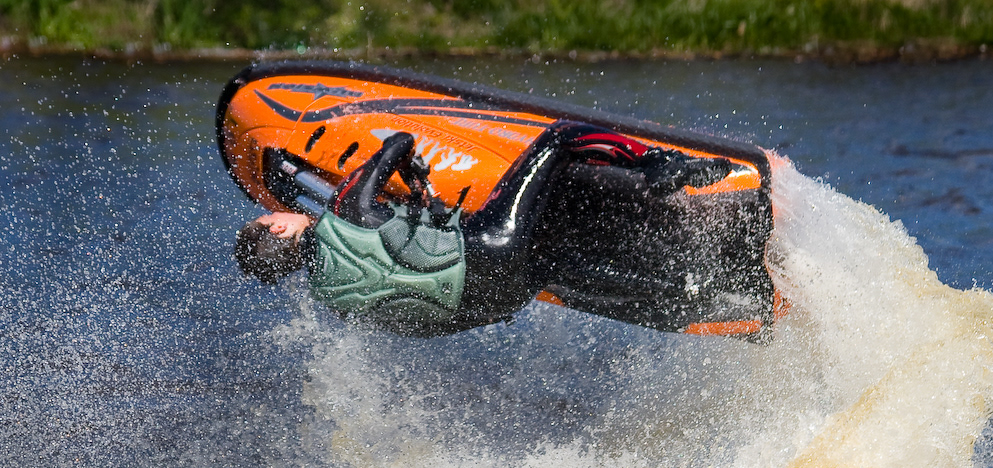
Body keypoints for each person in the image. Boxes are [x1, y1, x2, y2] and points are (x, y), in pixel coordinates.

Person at [235, 121, 745, 337]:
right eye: (270, 216)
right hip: (490, 246)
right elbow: (398, 141)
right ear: (278, 231)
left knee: (560, 264)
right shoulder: (345, 211)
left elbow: (423, 322)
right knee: (557, 141)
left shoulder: (337, 303)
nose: (278, 212)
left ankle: (707, 296)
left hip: (496, 301)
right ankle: (665, 165)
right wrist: (414, 180)